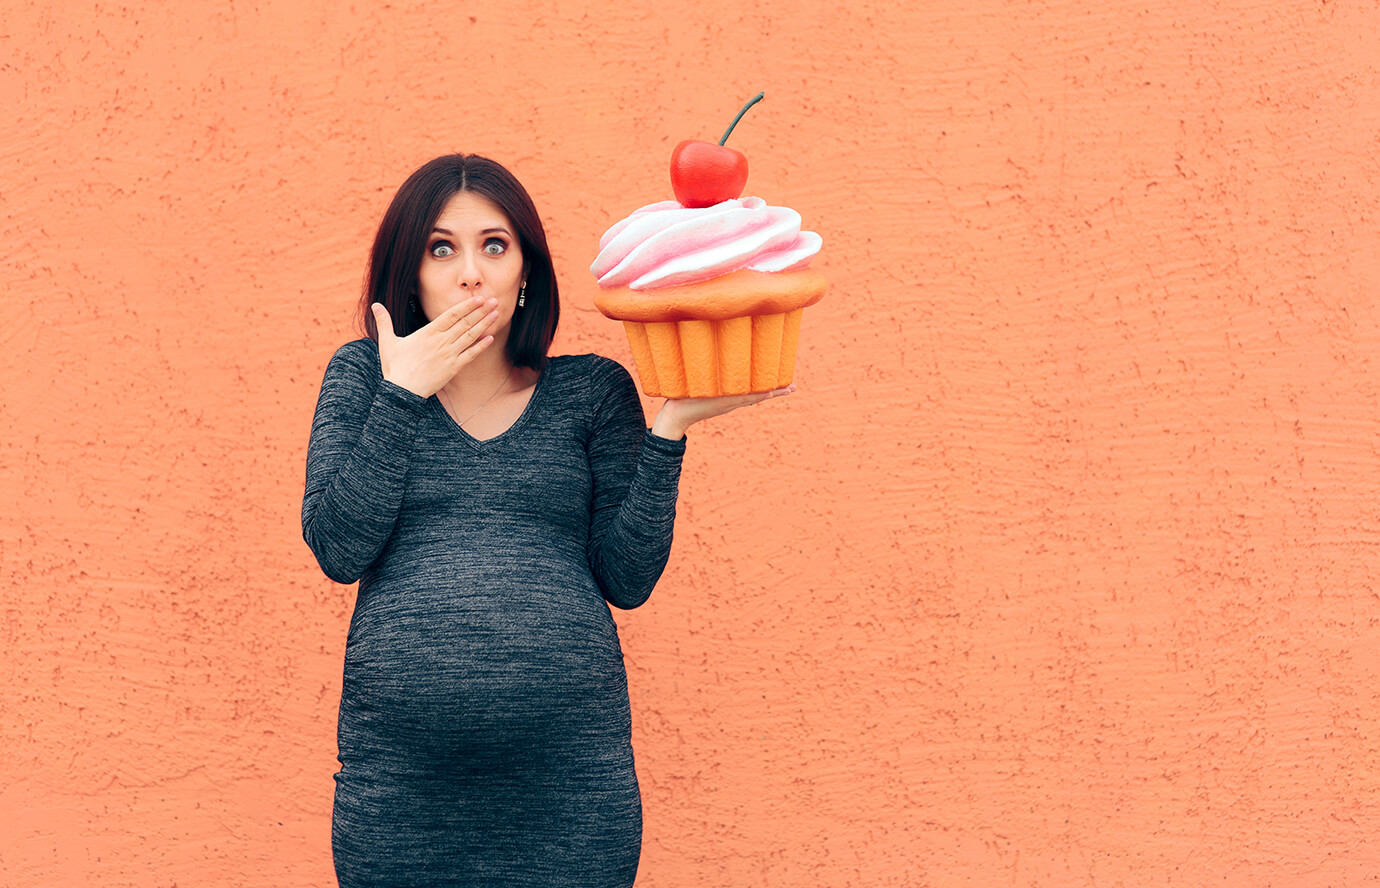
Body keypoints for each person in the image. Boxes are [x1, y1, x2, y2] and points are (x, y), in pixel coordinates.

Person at [301, 154, 794, 887]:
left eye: (493, 245)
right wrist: (402, 394)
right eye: (443, 248)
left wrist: (669, 432)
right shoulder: (362, 377)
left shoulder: (591, 392)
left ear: (525, 269)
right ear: (410, 273)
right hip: (402, 796)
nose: (471, 272)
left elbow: (626, 580)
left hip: (571, 793)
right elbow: (340, 548)